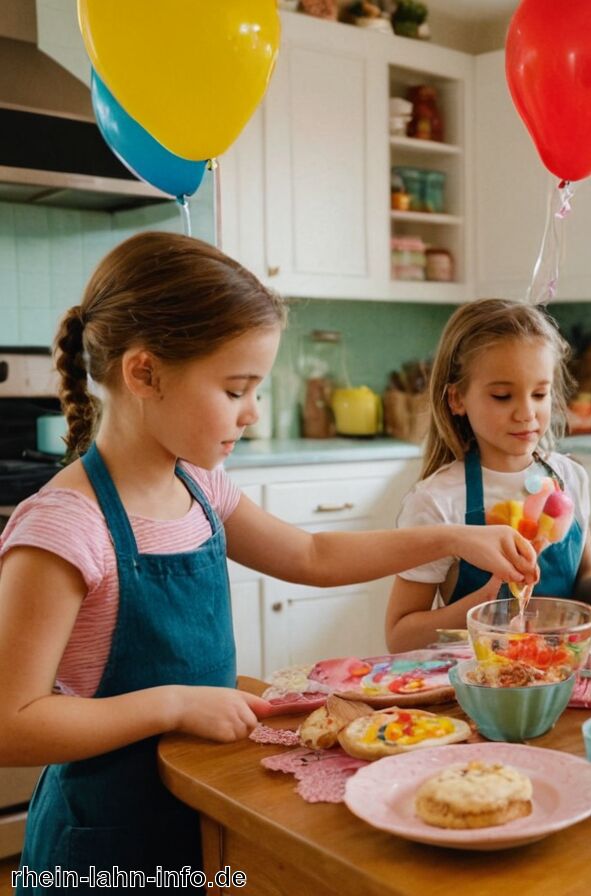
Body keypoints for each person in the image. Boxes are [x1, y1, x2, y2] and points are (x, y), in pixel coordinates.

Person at [0, 232, 537, 889]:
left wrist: (455, 538)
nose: (253, 412)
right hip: (102, 843)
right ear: (143, 373)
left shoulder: (199, 486)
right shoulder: (66, 526)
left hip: (199, 804)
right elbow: (11, 724)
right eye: (235, 389)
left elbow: (313, 554)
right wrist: (172, 704)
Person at [385, 298, 591, 652]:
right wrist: (484, 607)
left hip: (563, 673)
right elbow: (399, 636)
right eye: (502, 396)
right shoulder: (436, 501)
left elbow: (580, 591)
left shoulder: (569, 477)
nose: (526, 413)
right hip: (480, 681)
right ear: (457, 399)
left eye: (540, 393)